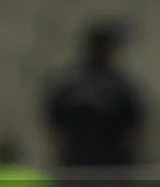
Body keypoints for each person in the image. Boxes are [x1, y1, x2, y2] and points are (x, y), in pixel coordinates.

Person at [45, 19, 145, 170]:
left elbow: (134, 129)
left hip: (99, 164)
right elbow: (54, 129)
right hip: (88, 164)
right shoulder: (117, 88)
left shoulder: (70, 86)